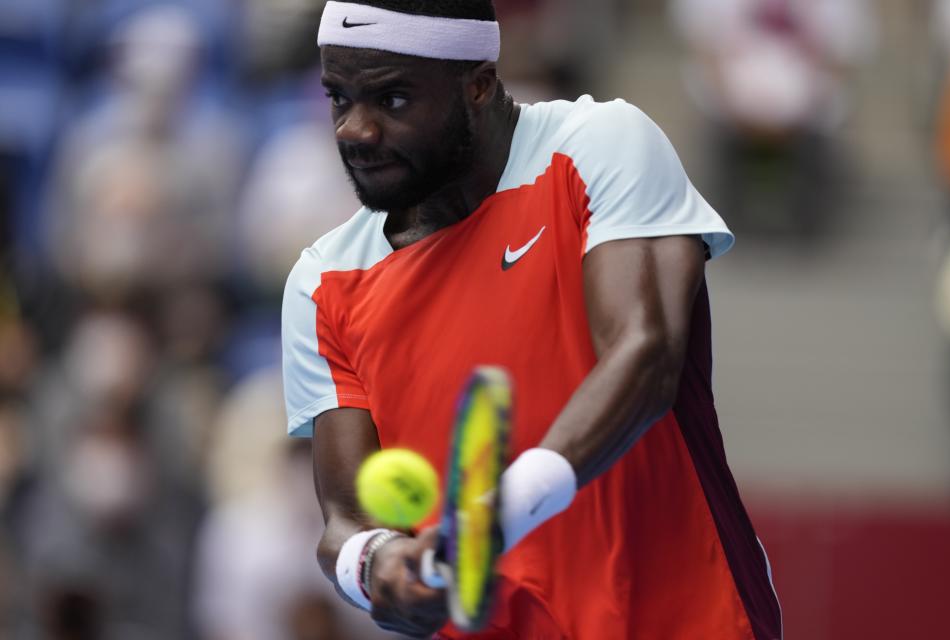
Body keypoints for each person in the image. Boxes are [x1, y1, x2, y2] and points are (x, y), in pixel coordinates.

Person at [281, 1, 783, 638]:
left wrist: (497, 516)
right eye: (338, 98)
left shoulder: (600, 144)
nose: (355, 130)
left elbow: (645, 355)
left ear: (479, 85)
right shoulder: (322, 284)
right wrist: (377, 564)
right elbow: (345, 521)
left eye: (393, 99)